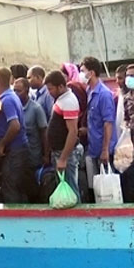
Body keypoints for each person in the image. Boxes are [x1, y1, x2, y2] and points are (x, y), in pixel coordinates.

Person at [0, 67, 30, 203]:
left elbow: (15, 125)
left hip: (15, 150)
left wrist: (2, 144)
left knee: (10, 186)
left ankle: (16, 219)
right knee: (17, 186)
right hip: (17, 149)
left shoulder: (7, 100)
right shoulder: (9, 97)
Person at [45, 69, 83, 202]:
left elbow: (73, 132)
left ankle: (76, 217)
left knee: (70, 188)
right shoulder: (61, 99)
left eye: (50, 89)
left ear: (60, 86)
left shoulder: (68, 102)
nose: (49, 92)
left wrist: (63, 158)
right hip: (59, 151)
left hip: (65, 153)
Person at [79, 57, 117, 191]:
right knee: (95, 186)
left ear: (92, 72)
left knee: (108, 187)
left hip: (104, 148)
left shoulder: (104, 94)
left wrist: (105, 150)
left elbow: (108, 123)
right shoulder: (89, 91)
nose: (81, 74)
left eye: (83, 71)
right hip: (93, 147)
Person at [13, 77, 47, 170]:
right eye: (14, 91)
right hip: (18, 156)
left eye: (19, 91)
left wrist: (46, 155)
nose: (16, 94)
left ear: (27, 91)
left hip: (33, 156)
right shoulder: (14, 108)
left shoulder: (36, 108)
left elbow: (44, 133)